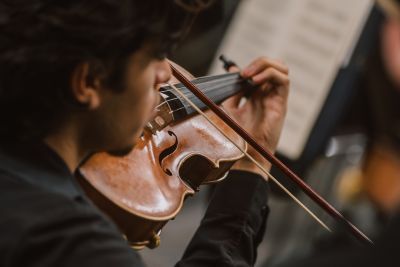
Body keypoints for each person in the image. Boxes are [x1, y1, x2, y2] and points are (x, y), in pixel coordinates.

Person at [0, 1, 289, 266]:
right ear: (88, 81)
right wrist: (254, 161)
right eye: (156, 55)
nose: (167, 75)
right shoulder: (80, 248)